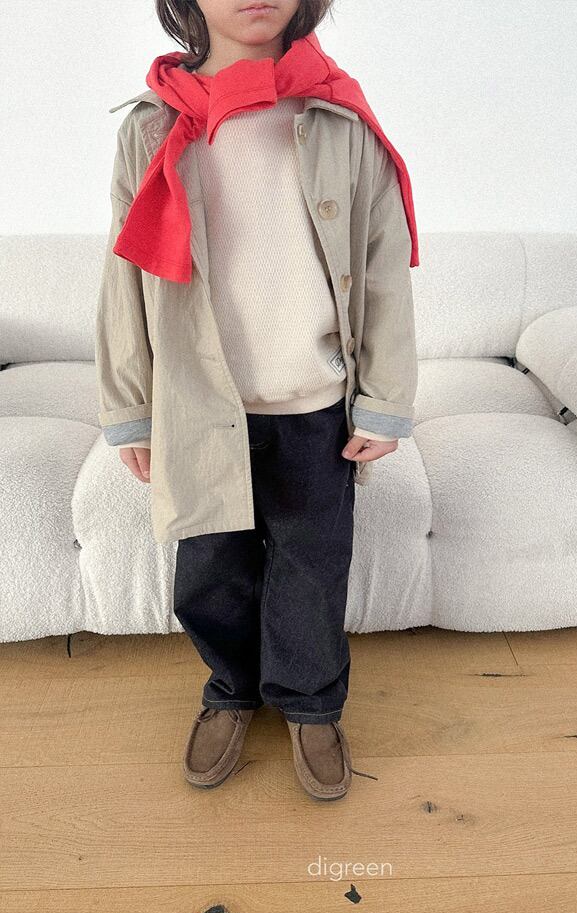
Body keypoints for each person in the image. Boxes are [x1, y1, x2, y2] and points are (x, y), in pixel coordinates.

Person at [95, 0, 419, 801]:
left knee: (312, 564)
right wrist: (131, 409)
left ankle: (311, 703)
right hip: (200, 405)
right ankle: (232, 688)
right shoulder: (151, 129)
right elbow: (124, 277)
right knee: (211, 570)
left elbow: (382, 264)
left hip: (313, 401)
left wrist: (384, 399)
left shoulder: (339, 118)